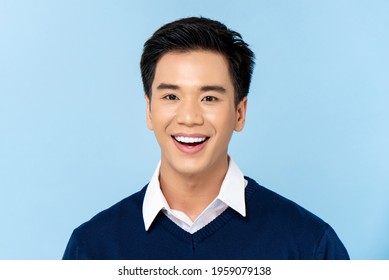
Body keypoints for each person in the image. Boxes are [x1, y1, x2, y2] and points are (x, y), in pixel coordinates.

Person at [63, 17, 349, 260]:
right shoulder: (92, 248)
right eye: (171, 96)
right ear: (149, 111)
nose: (189, 117)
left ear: (239, 113)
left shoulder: (310, 246)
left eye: (209, 97)